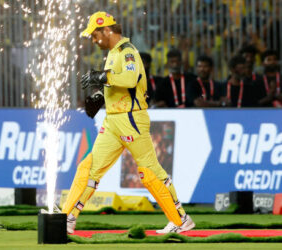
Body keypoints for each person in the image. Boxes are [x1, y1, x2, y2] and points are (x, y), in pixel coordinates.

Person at [61, 11, 195, 234]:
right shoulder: (114, 53)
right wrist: (100, 97)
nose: (94, 40)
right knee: (89, 168)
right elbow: (117, 85)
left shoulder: (128, 52)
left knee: (149, 172)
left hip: (131, 118)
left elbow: (131, 80)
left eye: (95, 35)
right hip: (114, 119)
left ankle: (181, 219)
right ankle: (67, 217)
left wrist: (103, 77)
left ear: (107, 30)